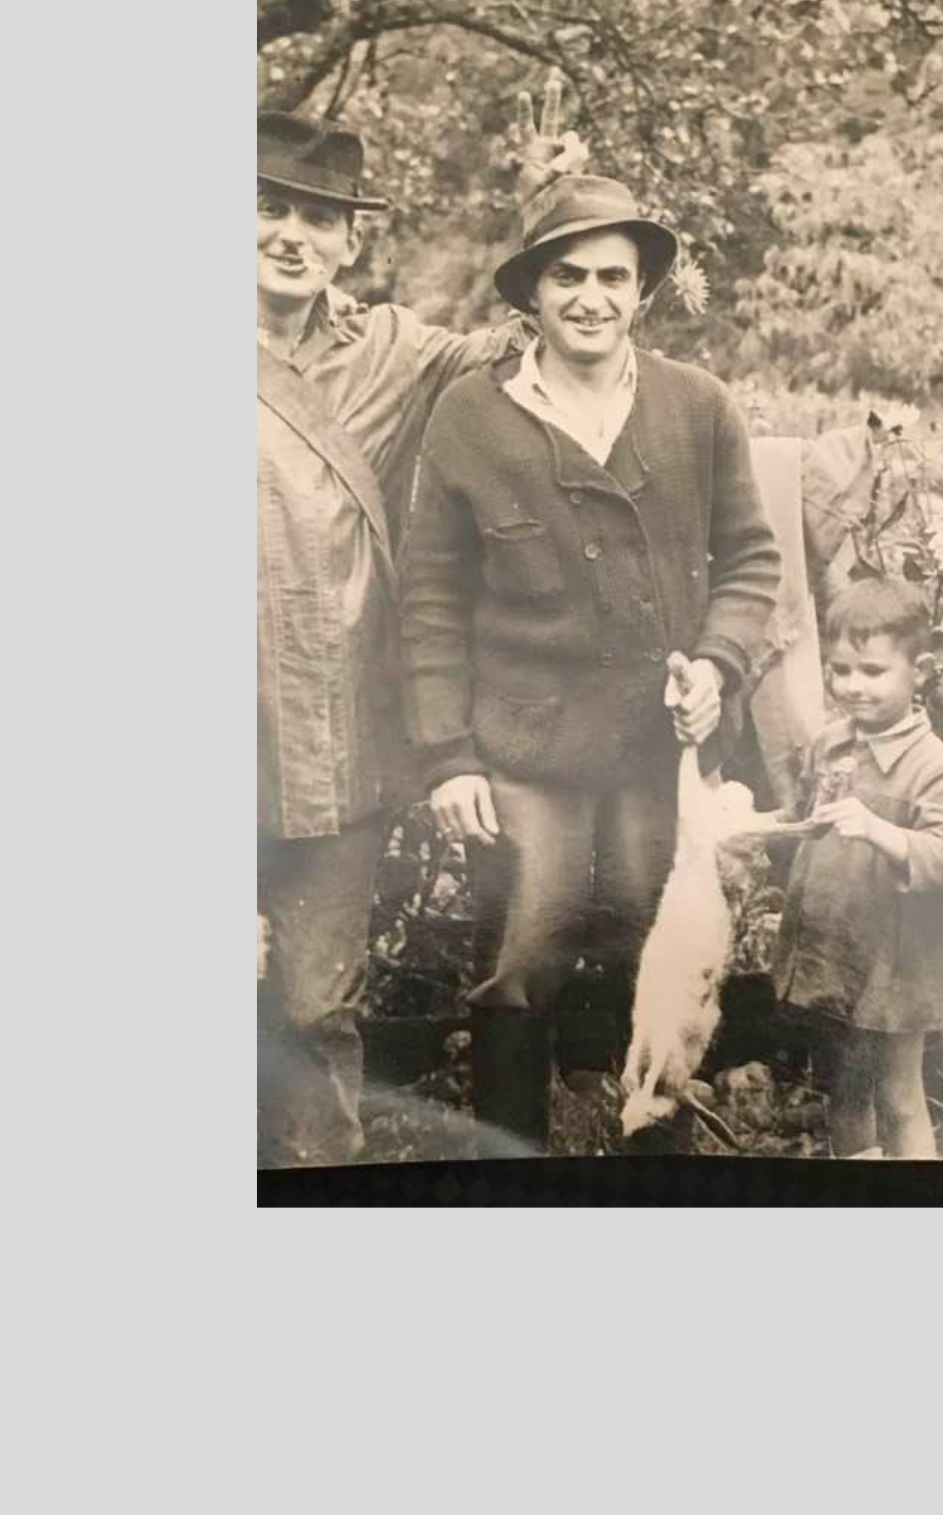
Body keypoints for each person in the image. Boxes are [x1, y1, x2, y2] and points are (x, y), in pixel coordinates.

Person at [398, 173, 781, 1154]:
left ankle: (658, 1155)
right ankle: (508, 1166)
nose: (590, 296)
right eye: (566, 274)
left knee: (661, 946)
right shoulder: (469, 420)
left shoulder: (696, 406)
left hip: (661, 748)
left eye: (614, 275)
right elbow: (431, 599)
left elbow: (749, 560)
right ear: (529, 289)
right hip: (525, 746)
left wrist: (716, 662)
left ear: (641, 290)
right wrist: (448, 756)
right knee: (524, 948)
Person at [256, 110, 517, 1169]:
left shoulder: (394, 353)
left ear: (350, 241)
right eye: (268, 207)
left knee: (320, 1006)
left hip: (333, 751)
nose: (291, 235)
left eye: (318, 218)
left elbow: (523, 339)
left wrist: (543, 195)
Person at [770, 578, 943, 1159]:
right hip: (834, 953)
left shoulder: (932, 766)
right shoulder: (829, 745)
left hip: (896, 968)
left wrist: (880, 831)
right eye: (840, 670)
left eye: (872, 671)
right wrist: (755, 827)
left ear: (921, 670)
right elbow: (802, 823)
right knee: (844, 1090)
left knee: (898, 1096)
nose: (852, 687)